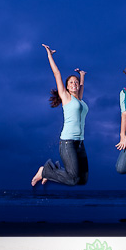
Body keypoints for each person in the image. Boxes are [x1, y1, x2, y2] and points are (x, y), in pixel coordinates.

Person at [31, 44, 89, 186]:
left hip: (80, 143)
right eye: (71, 83)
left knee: (82, 180)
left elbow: (81, 86)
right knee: (73, 179)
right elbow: (57, 73)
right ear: (67, 87)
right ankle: (44, 171)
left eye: (76, 82)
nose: (74, 84)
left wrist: (81, 76)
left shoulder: (79, 99)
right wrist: (50, 55)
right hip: (67, 142)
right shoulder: (66, 97)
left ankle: (54, 170)